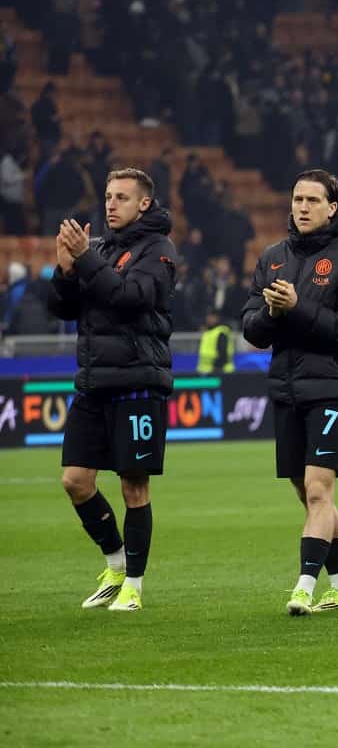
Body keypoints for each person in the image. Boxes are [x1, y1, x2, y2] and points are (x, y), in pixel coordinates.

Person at [241, 169, 338, 616]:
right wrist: (273, 313)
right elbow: (252, 330)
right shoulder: (273, 257)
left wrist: (297, 309)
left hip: (333, 386)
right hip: (288, 388)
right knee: (306, 490)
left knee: (319, 489)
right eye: (297, 199)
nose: (302, 207)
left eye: (312, 200)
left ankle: (303, 587)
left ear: (331, 208)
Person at [47, 168, 178, 612]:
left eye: (121, 196)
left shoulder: (158, 250)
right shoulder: (99, 249)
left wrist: (85, 260)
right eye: (107, 196)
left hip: (138, 381)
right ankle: (116, 563)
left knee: (133, 487)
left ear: (144, 203)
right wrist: (65, 271)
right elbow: (63, 308)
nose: (110, 204)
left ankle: (134, 587)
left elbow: (130, 298)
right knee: (75, 480)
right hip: (93, 381)